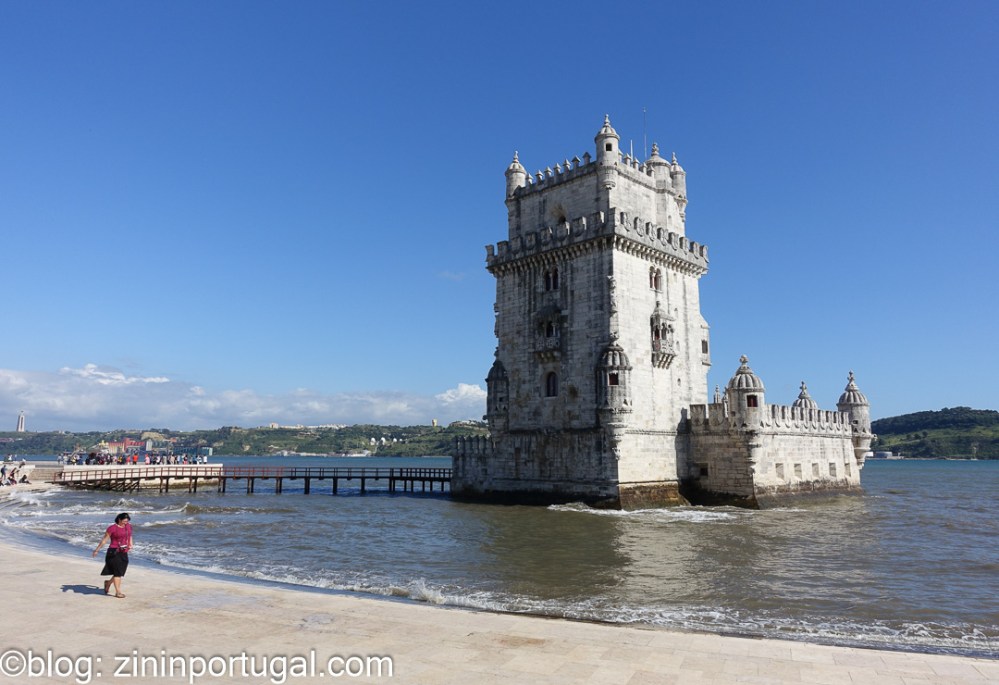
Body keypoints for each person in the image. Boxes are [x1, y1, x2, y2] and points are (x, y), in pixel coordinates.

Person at [92, 513, 133, 598]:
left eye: (127, 521)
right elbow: (104, 540)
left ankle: (108, 583)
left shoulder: (128, 526)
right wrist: (96, 550)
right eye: (124, 521)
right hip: (114, 552)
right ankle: (118, 592)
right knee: (117, 573)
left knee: (120, 572)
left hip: (124, 551)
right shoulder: (112, 528)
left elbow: (130, 536)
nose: (126, 523)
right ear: (119, 519)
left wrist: (131, 544)